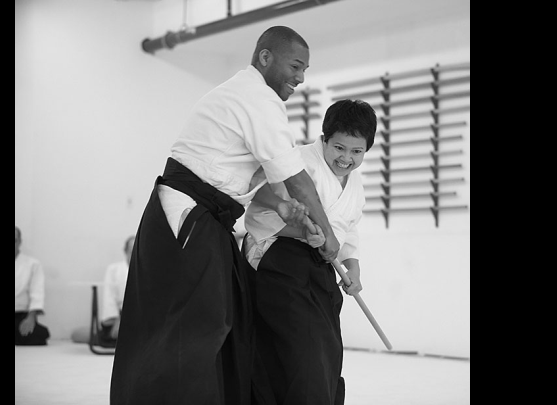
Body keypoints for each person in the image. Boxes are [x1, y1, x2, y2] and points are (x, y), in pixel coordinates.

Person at [110, 26, 340, 405]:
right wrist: (330, 238)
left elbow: (245, 172)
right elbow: (297, 181)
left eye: (305, 69)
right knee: (196, 328)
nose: (301, 78)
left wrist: (281, 206)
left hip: (207, 218)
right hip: (186, 215)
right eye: (296, 66)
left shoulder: (245, 94)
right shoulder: (257, 99)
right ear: (265, 57)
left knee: (223, 324)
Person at [243, 99, 377, 405]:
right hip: (278, 260)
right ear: (325, 138)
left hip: (320, 266)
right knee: (300, 354)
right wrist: (300, 231)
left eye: (357, 152)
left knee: (327, 351)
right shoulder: (296, 162)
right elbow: (258, 209)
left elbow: (348, 229)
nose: (346, 158)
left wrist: (352, 266)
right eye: (339, 148)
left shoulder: (355, 186)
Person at [15, 226, 50, 346]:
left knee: (40, 334)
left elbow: (37, 292)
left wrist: (31, 318)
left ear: (20, 241)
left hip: (20, 315)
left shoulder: (32, 264)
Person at [98, 235, 135, 342]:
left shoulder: (149, 269)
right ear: (125, 251)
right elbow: (108, 298)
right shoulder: (114, 270)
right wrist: (116, 319)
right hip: (118, 317)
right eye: (131, 250)